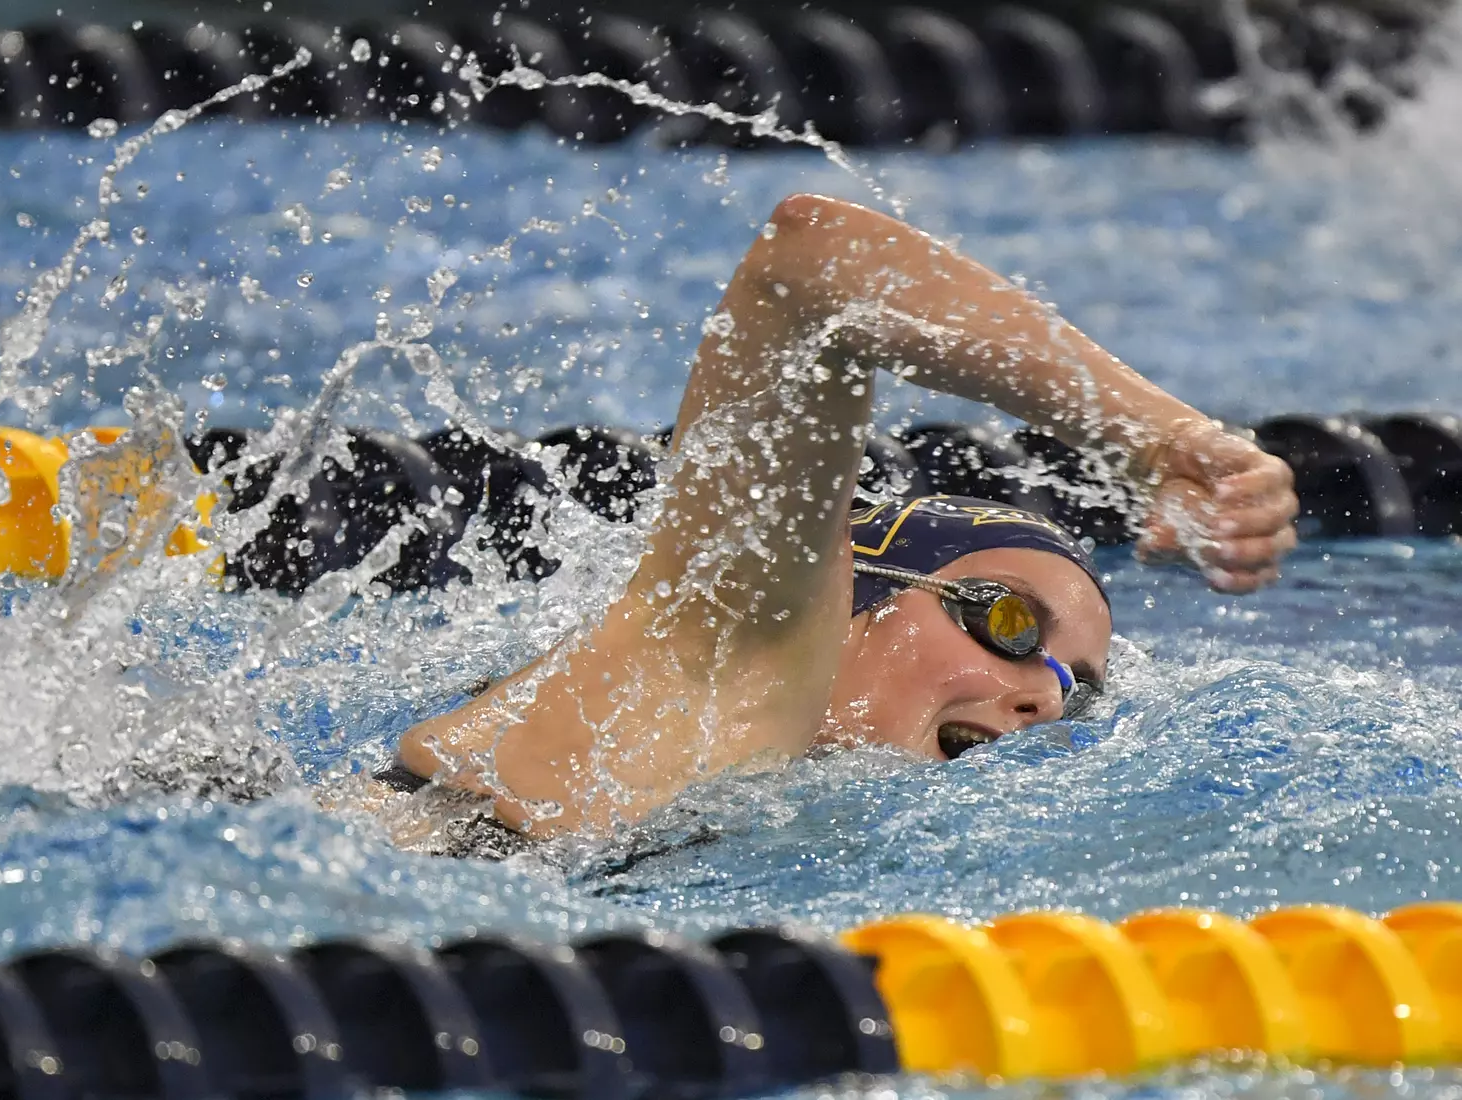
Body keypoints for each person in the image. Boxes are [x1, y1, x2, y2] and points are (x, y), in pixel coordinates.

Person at [362, 193, 1298, 844]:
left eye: (1077, 688)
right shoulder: (722, 663)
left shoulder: (770, 793)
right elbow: (811, 263)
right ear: (854, 592)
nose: (1046, 698)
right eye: (1006, 622)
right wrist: (1156, 438)